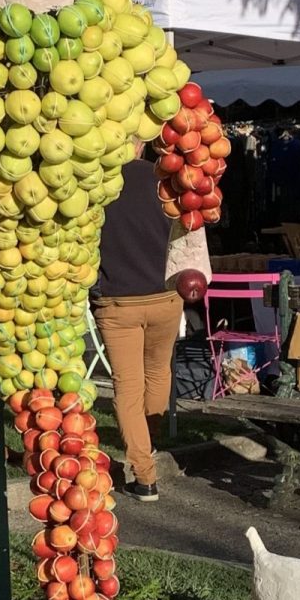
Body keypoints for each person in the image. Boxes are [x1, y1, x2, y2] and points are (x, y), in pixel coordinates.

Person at [91, 141, 183, 502]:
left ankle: (145, 476)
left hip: (118, 302)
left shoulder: (98, 183)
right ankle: (149, 440)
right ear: (143, 142)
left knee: (127, 387)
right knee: (159, 372)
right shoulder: (168, 180)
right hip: (166, 295)